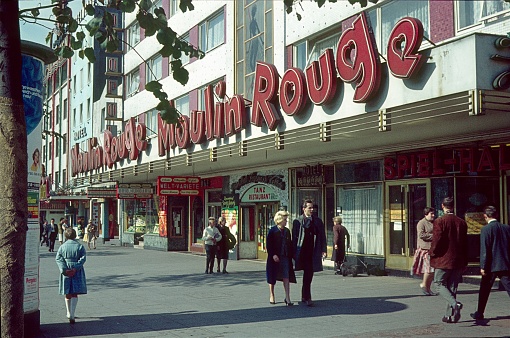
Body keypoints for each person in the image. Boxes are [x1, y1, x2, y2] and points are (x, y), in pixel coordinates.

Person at [430, 197, 468, 324]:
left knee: (438, 283)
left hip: (443, 260)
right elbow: (465, 244)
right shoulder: (461, 222)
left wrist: (432, 253)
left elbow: (436, 240)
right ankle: (448, 315)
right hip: (458, 260)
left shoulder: (439, 221)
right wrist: (465, 261)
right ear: (453, 206)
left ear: (442, 206)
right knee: (452, 287)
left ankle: (454, 304)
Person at [470, 206, 510, 320]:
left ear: (485, 216)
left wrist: (483, 266)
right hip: (504, 263)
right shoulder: (506, 228)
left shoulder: (485, 229)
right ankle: (479, 312)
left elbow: (485, 249)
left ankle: (480, 312)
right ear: (496, 215)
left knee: (484, 290)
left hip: (491, 265)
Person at [292, 200, 327, 306]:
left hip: (313, 251)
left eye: (312, 208)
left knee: (309, 273)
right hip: (301, 251)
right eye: (309, 208)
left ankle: (307, 296)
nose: (312, 210)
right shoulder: (298, 221)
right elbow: (295, 238)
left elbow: (322, 236)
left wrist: (323, 250)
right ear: (304, 209)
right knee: (307, 273)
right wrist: (293, 253)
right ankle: (305, 296)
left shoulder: (317, 221)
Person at [55, 228, 87, 324]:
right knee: (74, 292)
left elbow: (58, 258)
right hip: (76, 270)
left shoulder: (62, 246)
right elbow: (83, 258)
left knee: (67, 291)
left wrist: (64, 269)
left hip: (66, 270)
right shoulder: (79, 246)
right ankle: (73, 313)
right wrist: (75, 268)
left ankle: (68, 312)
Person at [267, 210, 296, 306]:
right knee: (272, 276)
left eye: (286, 219)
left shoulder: (287, 231)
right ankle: (272, 294)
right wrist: (273, 254)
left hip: (285, 257)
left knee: (286, 276)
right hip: (275, 257)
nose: (286, 221)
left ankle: (287, 297)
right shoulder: (273, 231)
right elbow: (269, 245)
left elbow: (290, 244)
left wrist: (292, 256)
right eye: (284, 219)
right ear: (279, 220)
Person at [412, 207, 437, 296]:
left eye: (434, 214)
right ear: (426, 214)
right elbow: (421, 235)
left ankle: (428, 288)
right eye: (431, 214)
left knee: (432, 270)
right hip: (425, 249)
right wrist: (434, 236)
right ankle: (424, 284)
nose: (433, 215)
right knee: (429, 269)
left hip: (433, 249)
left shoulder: (434, 222)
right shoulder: (421, 223)